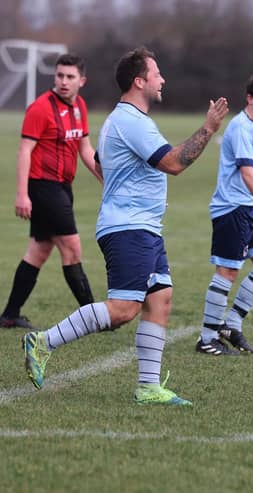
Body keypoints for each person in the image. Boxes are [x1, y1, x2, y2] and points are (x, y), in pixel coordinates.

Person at [22, 46, 229, 406]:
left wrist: (134, 193)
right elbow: (174, 162)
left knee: (160, 298)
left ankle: (148, 387)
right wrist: (209, 128)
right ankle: (43, 342)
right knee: (123, 309)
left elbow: (104, 164)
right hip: (129, 228)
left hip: (142, 225)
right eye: (157, 73)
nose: (162, 78)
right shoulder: (131, 121)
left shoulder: (127, 119)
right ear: (139, 81)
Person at [0, 53, 102, 330]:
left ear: (82, 80)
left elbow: (84, 149)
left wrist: (105, 179)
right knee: (72, 247)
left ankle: (9, 315)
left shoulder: (79, 106)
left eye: (70, 77)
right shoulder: (40, 108)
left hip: (62, 187)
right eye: (59, 76)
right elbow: (24, 151)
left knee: (39, 250)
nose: (64, 82)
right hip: (43, 187)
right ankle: (94, 316)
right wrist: (22, 194)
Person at [196, 73, 253, 356]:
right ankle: (207, 338)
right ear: (250, 98)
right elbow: (247, 173)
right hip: (231, 208)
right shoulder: (241, 128)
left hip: (247, 209)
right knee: (228, 270)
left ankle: (231, 325)